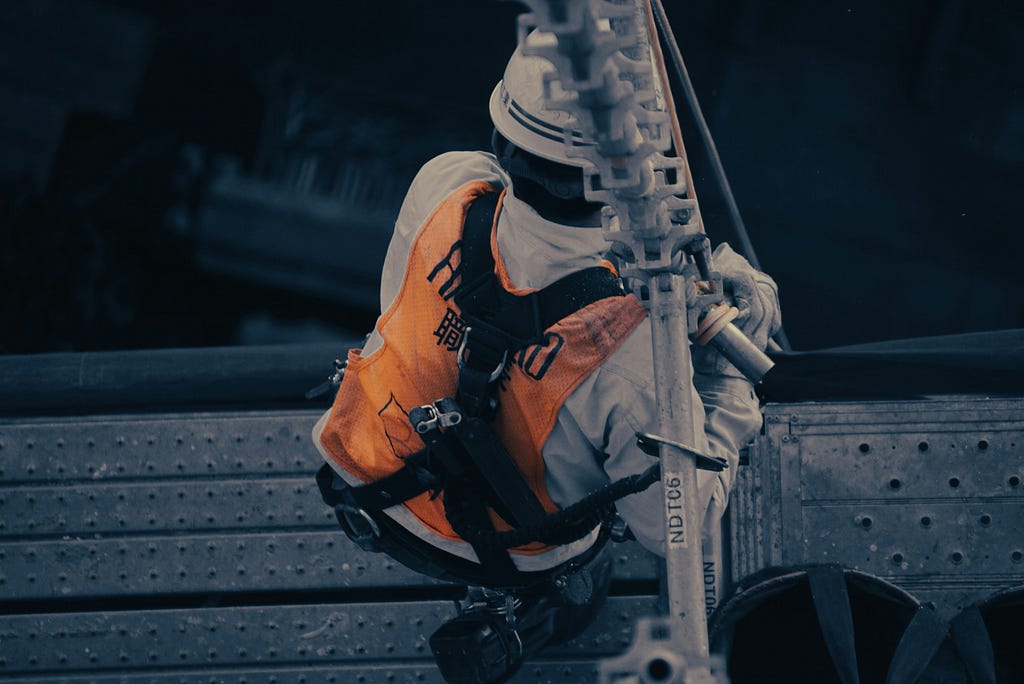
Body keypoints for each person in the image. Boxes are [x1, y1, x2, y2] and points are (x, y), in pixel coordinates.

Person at [313, 36, 781, 684]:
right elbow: (678, 526)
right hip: (507, 552)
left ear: (504, 141)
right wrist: (724, 381)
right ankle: (552, 608)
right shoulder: (638, 352)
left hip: (367, 475)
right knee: (590, 570)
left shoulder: (444, 186)